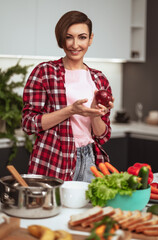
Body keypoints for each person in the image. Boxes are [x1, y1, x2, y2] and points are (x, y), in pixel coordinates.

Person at [22, 10, 114, 182]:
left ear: (90, 39)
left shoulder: (99, 79)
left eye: (82, 37)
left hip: (91, 161)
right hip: (53, 158)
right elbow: (28, 123)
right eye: (69, 37)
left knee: (90, 209)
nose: (75, 44)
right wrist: (71, 110)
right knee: (52, 209)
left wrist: (95, 113)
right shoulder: (44, 72)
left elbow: (102, 135)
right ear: (61, 39)